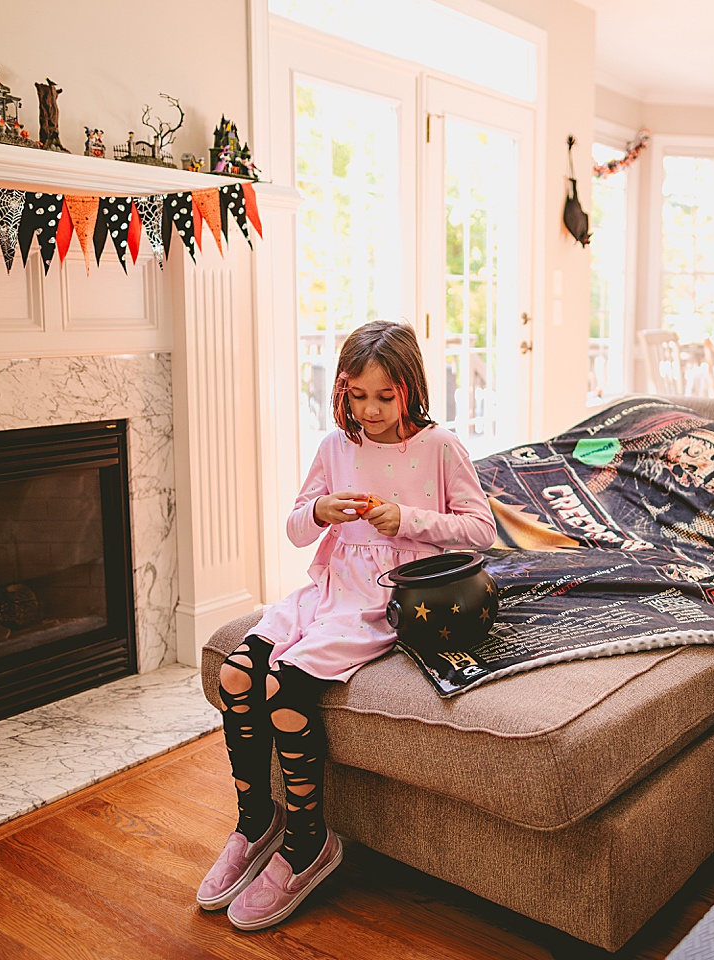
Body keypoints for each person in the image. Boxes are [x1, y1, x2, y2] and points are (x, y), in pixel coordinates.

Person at [198, 319, 497, 930]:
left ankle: (309, 843)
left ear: (411, 387)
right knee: (237, 674)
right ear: (342, 392)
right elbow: (295, 527)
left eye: (385, 397)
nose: (370, 411)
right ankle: (255, 824)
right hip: (329, 587)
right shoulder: (336, 446)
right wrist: (319, 510)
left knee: (287, 682)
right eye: (357, 397)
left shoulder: (440, 447)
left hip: (383, 597)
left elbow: (480, 529)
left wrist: (407, 520)